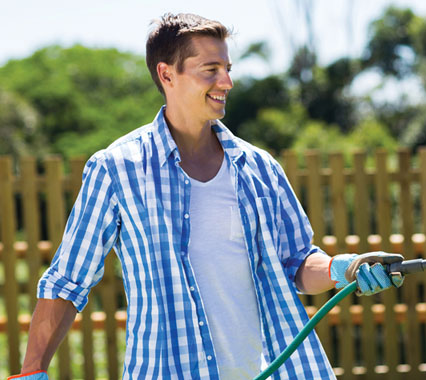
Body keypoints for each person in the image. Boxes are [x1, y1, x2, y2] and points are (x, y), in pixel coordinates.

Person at [11, 13, 404, 380]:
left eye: (228, 69)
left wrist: (342, 269)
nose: (226, 82)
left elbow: (298, 262)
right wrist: (32, 373)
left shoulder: (259, 168)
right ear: (167, 74)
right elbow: (67, 282)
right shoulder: (117, 170)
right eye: (210, 70)